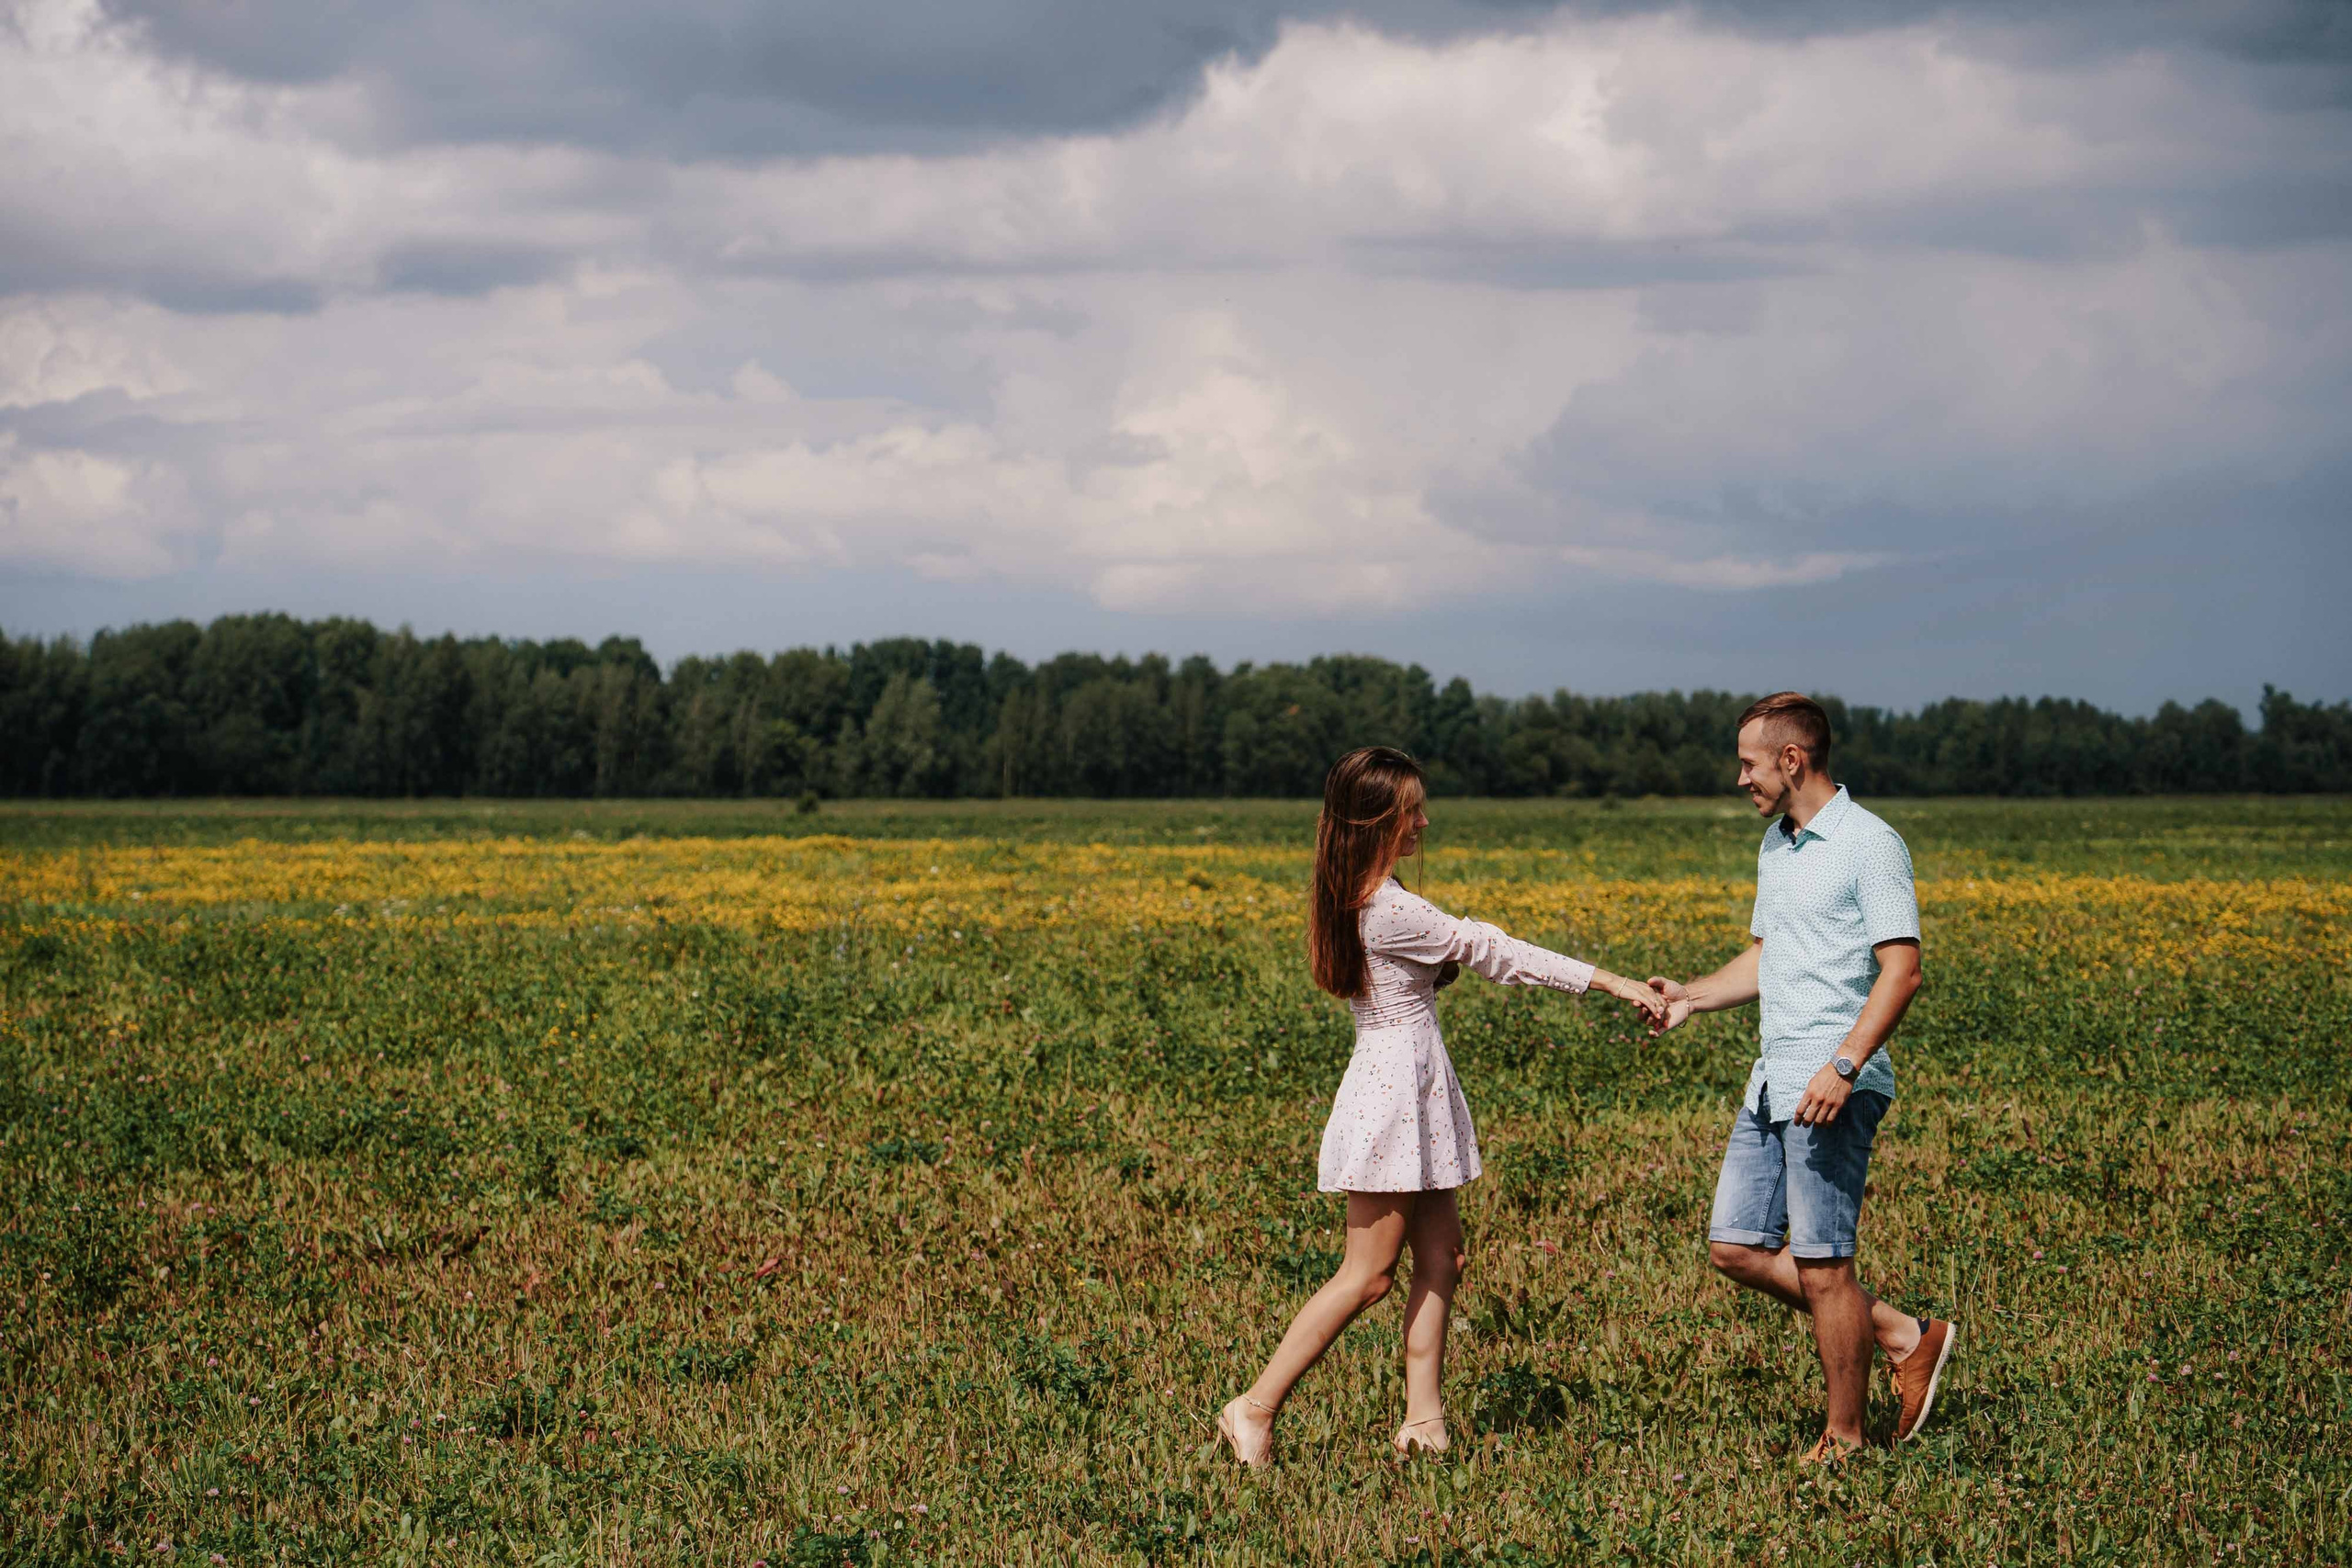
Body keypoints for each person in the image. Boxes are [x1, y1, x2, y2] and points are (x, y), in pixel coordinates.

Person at [1217, 745, 1664, 1467]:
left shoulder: (1368, 892)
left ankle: (1424, 1424)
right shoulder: (1388, 907)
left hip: (1413, 1087)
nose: (1423, 821)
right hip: (1393, 1095)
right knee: (1367, 1274)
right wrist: (1613, 982)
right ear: (1375, 822)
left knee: (1442, 1256)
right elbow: (1492, 948)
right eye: (1409, 811)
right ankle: (1254, 1405)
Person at [1646, 693, 1956, 1463]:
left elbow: (1903, 970)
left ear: (1793, 760)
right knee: (1734, 1244)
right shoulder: (1777, 846)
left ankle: (1844, 1440)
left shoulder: (1869, 843)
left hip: (1833, 1083)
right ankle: (1900, 1333)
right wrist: (1692, 995)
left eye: (1749, 763)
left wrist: (1844, 1065)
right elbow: (1766, 957)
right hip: (1772, 1079)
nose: (1741, 779)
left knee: (1824, 1265)